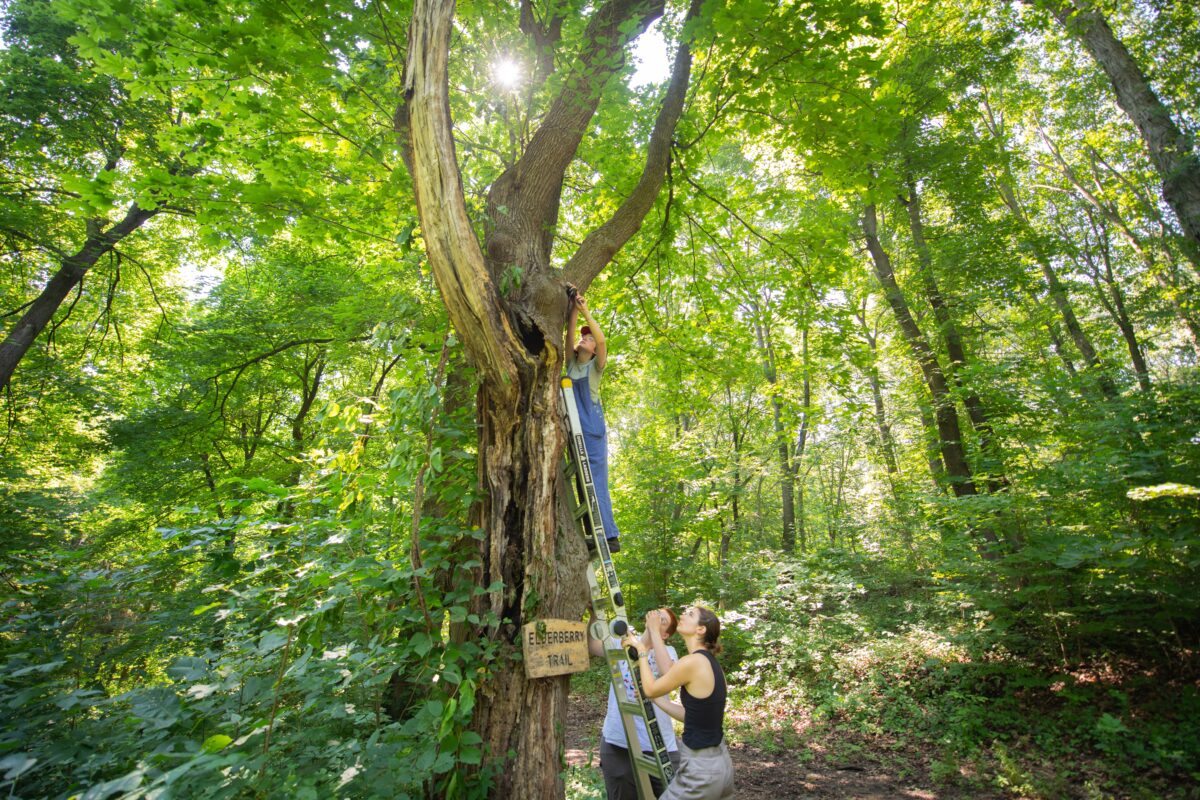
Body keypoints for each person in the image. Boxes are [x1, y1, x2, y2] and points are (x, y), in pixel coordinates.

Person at [625, 606, 734, 800]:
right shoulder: (710, 663)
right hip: (720, 764)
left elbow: (650, 688)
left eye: (690, 614)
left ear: (701, 629)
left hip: (701, 769)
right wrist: (655, 699)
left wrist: (641, 650)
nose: (683, 614)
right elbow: (692, 716)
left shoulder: (692, 662)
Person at [588, 608, 682, 799]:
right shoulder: (623, 642)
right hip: (619, 741)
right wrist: (594, 615)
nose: (656, 617)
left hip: (658, 744)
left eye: (662, 620)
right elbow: (592, 645)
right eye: (656, 613)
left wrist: (653, 632)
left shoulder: (668, 652)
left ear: (665, 634)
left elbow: (668, 673)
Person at [566, 292, 620, 552]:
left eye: (589, 338)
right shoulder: (571, 363)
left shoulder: (595, 367)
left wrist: (585, 310)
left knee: (596, 480)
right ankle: (595, 534)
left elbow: (601, 340)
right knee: (581, 481)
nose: (585, 338)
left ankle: (610, 536)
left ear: (595, 350)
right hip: (575, 429)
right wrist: (573, 309)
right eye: (583, 337)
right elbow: (569, 336)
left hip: (592, 428)